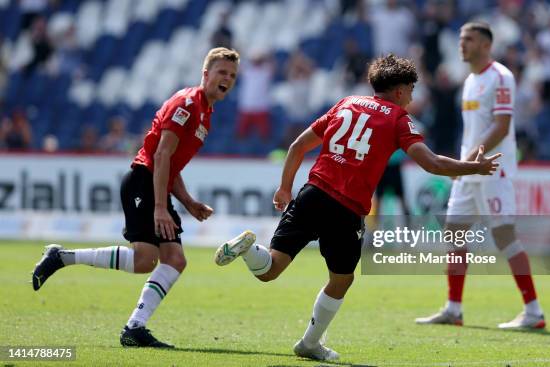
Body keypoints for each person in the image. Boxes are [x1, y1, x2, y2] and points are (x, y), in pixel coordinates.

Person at [213, 54, 501, 362]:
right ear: (400, 91)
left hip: (311, 193)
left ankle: (247, 249)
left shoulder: (346, 103)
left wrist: (285, 187)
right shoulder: (398, 120)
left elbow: (297, 146)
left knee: (269, 269)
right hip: (345, 208)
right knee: (342, 279)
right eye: (411, 90)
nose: (413, 98)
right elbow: (431, 162)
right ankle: (310, 343)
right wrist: (474, 167)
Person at [31, 47, 240, 348]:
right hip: (143, 182)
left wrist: (188, 202)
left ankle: (134, 328)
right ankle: (62, 257)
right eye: (222, 72)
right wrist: (159, 207)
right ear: (205, 74)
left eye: (232, 75)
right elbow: (161, 154)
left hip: (156, 184)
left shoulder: (206, 113)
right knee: (145, 259)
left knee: (175, 259)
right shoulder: (187, 104)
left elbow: (172, 165)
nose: (227, 79)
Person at [415, 22, 546, 329]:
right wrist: (464, 163)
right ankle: (454, 309)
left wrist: (475, 154)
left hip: (492, 168)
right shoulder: (470, 80)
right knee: (454, 233)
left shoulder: (501, 77)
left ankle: (534, 312)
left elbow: (501, 125)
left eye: (469, 39)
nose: (462, 44)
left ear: (486, 44)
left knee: (504, 236)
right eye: (461, 39)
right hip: (470, 168)